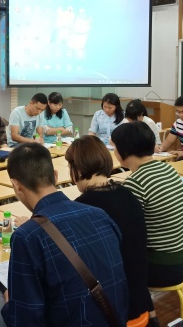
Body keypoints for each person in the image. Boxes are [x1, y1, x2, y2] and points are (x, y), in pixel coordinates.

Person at [0, 143, 129, 327]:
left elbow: (24, 321)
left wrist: (9, 303)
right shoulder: (100, 215)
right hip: (117, 321)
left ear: (16, 185)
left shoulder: (27, 236)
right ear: (55, 176)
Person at [66, 136, 152, 322]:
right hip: (139, 296)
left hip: (111, 307)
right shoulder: (128, 194)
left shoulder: (83, 208)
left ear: (77, 169)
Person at [112, 122, 183, 289]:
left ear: (124, 149)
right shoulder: (168, 169)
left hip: (165, 267)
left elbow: (125, 231)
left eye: (114, 147)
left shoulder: (136, 182)